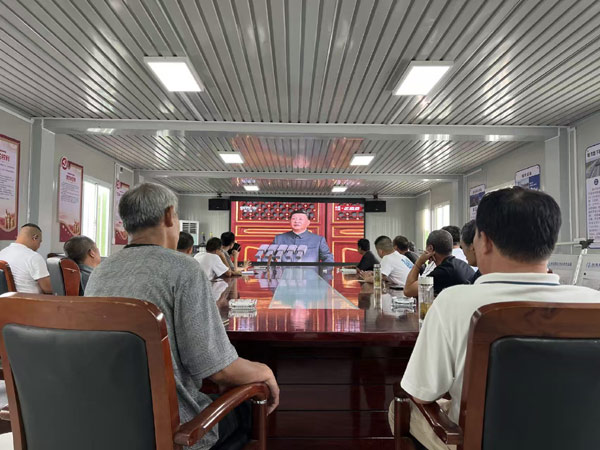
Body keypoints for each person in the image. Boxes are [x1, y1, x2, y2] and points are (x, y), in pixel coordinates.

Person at [391, 187, 600, 450]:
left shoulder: (453, 302)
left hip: (479, 441)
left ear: (485, 242)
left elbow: (422, 394)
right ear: (551, 242)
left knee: (399, 407)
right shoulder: (594, 302)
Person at [85, 183, 278, 450]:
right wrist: (265, 371)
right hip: (173, 428)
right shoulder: (183, 269)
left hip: (105, 421)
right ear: (168, 215)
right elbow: (219, 370)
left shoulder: (101, 272)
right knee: (249, 407)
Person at [403, 230, 473, 298]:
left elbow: (408, 290)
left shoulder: (444, 271)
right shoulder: (460, 265)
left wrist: (419, 261)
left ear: (430, 248)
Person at [0, 223, 52, 294]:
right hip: (29, 299)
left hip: (5, 300)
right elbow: (48, 288)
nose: (38, 246)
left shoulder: (2, 253)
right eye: (40, 242)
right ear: (35, 237)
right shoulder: (33, 257)